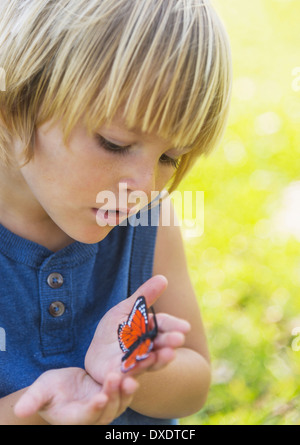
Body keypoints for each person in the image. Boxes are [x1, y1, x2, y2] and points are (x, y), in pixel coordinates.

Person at [0, 0, 232, 425]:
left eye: (170, 158)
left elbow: (195, 377)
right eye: (115, 142)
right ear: (13, 104)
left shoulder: (148, 221)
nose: (144, 187)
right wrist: (36, 413)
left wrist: (134, 368)